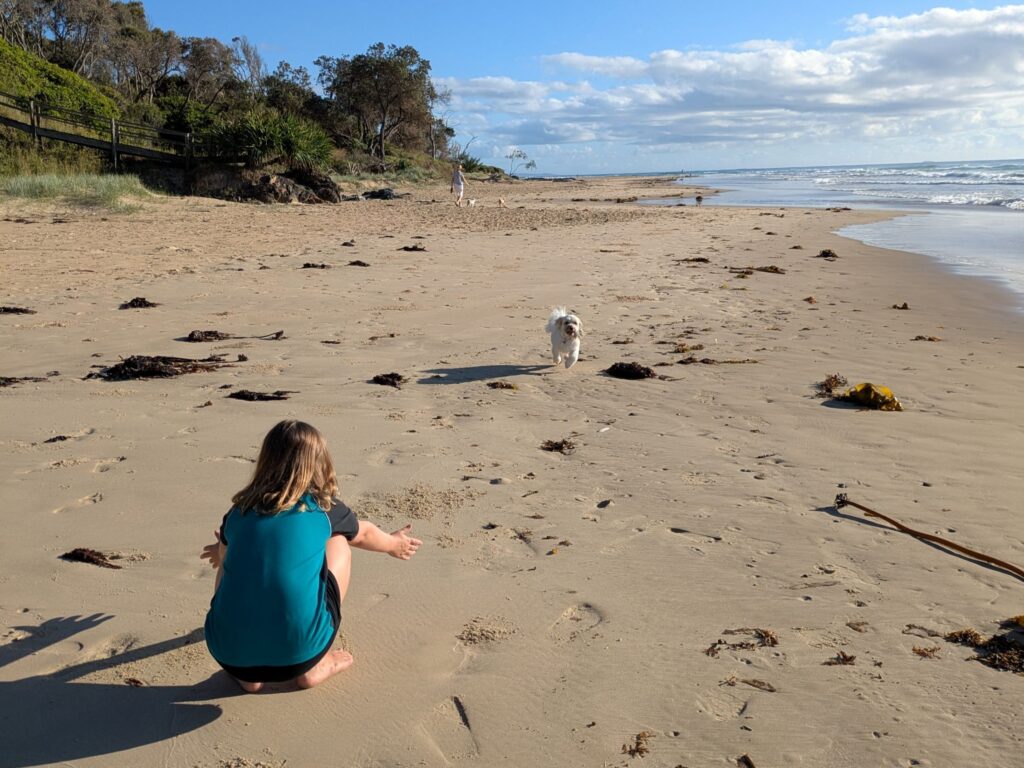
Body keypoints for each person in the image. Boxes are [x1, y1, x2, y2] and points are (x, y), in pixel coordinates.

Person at [200, 420, 421, 692]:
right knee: (339, 539)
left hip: (228, 655)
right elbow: (364, 533)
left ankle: (249, 677)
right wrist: (393, 544)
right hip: (302, 655)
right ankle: (316, 666)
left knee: (230, 552)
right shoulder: (323, 509)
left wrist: (223, 553)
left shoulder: (238, 512)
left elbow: (226, 555)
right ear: (319, 464)